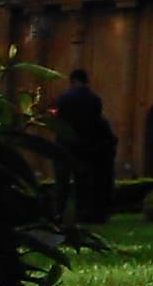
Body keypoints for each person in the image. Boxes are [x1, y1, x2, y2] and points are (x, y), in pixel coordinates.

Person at [50, 69, 118, 223]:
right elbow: (96, 121)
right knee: (83, 184)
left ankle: (58, 214)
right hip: (86, 147)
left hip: (64, 145)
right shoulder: (95, 100)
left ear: (73, 81)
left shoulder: (64, 98)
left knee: (61, 183)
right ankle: (82, 215)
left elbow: (54, 116)